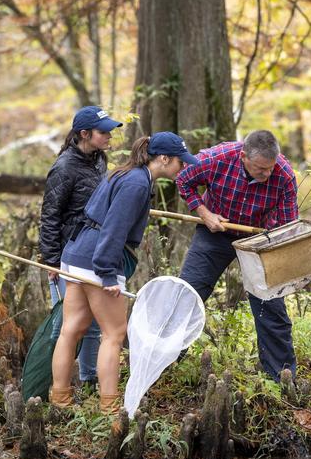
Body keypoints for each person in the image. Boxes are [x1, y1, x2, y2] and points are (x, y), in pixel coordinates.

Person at [49, 132, 199, 413]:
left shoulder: (126, 173)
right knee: (114, 334)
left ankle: (60, 400)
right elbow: (113, 229)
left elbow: (96, 212)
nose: (184, 167)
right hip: (98, 260)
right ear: (164, 159)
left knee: (72, 329)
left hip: (76, 253)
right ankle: (109, 407)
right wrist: (107, 274)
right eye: (180, 162)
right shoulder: (137, 184)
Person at [175, 130, 298, 379]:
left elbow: (287, 225)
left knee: (270, 305)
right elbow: (183, 180)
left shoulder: (284, 175)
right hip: (216, 229)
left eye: (270, 169)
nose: (267, 175)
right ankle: (164, 359)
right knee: (189, 293)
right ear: (243, 156)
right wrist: (204, 213)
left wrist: (279, 255)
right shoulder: (216, 158)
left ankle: (281, 377)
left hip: (258, 237)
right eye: (260, 169)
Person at [39, 106, 123, 388]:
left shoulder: (99, 159)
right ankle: (52, 385)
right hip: (67, 254)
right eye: (103, 132)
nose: (109, 136)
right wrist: (51, 262)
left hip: (92, 251)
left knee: (95, 324)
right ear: (84, 134)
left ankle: (88, 381)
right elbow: (49, 217)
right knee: (69, 325)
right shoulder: (64, 168)